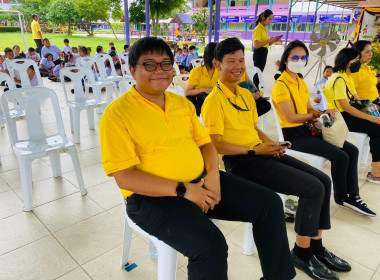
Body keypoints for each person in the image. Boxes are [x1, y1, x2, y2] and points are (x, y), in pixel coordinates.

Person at [99, 36, 296, 280]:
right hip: (150, 198)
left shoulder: (182, 104)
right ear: (132, 69)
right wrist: (184, 191)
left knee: (269, 204)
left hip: (201, 181)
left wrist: (212, 176)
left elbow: (206, 145)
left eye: (166, 64)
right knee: (210, 245)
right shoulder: (117, 114)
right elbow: (125, 177)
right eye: (149, 64)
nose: (160, 71)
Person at [202, 36, 352, 280]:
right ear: (218, 64)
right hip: (242, 162)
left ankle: (316, 247)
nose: (239, 66)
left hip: (262, 152)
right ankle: (302, 253)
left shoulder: (243, 93)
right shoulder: (213, 101)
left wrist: (270, 143)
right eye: (231, 61)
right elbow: (216, 145)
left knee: (323, 181)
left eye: (241, 60)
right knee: (312, 188)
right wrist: (255, 150)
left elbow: (253, 128)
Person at [271, 40, 375, 216]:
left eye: (303, 57)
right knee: (340, 156)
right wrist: (314, 116)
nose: (299, 60)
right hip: (294, 136)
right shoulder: (281, 85)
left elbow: (309, 108)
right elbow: (291, 117)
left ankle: (354, 195)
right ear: (286, 60)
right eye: (295, 57)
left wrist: (323, 111)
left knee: (352, 150)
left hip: (308, 129)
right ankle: (342, 197)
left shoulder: (299, 81)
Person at [324, 47, 380, 185]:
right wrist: (372, 118)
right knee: (378, 129)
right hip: (341, 118)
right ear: (348, 62)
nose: (359, 63)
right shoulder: (338, 79)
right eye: (356, 60)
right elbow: (346, 107)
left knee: (377, 130)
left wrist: (371, 109)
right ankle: (376, 172)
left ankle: (376, 170)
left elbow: (357, 100)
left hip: (348, 115)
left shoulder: (347, 77)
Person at [252, 9, 281, 88]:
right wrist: (269, 40)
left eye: (271, 19)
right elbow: (256, 45)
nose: (270, 21)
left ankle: (256, 88)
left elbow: (267, 44)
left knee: (260, 72)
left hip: (264, 51)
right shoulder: (258, 29)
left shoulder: (264, 28)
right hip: (259, 52)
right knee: (257, 72)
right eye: (269, 19)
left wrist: (273, 40)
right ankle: (255, 89)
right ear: (264, 18)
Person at [351, 40, 380, 105]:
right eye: (367, 52)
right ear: (358, 53)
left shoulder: (366, 67)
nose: (371, 54)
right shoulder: (355, 71)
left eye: (371, 51)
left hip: (375, 103)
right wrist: (366, 106)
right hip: (367, 108)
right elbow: (351, 93)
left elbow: (370, 82)